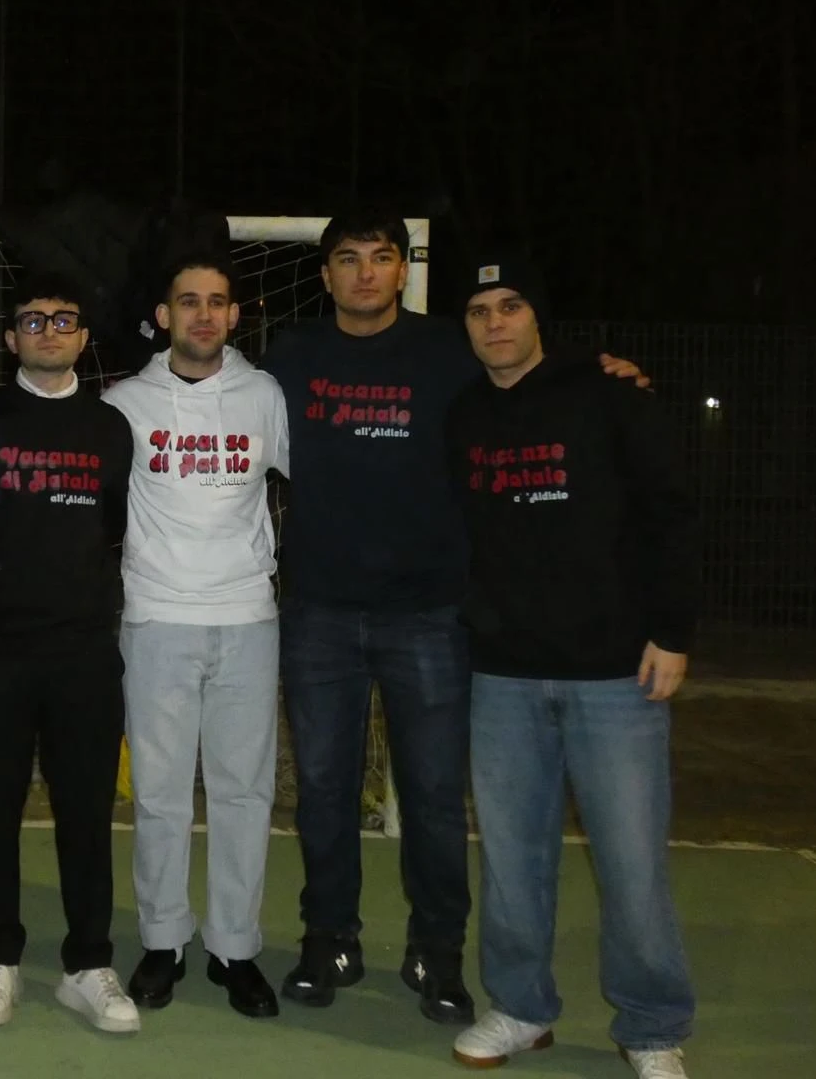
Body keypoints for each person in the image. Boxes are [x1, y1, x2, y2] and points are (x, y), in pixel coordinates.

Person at [258, 209, 645, 1024]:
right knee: (323, 790)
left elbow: (525, 362)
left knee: (434, 795)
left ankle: (436, 952)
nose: (366, 273)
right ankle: (329, 937)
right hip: (320, 609)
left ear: (405, 270)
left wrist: (601, 365)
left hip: (429, 613)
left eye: (381, 257)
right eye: (348, 259)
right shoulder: (291, 354)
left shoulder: (448, 347)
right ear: (324, 275)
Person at [446, 256, 697, 1079]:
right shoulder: (464, 414)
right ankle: (522, 1007)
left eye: (511, 305)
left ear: (538, 316)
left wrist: (672, 631)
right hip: (504, 676)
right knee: (512, 861)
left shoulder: (610, 394)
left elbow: (669, 511)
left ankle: (652, 1026)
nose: (496, 322)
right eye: (480, 310)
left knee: (632, 865)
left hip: (615, 675)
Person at [100, 251, 289, 1020]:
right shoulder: (124, 403)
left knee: (245, 790)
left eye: (217, 302)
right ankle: (163, 940)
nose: (204, 315)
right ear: (165, 315)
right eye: (188, 301)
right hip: (156, 619)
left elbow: (320, 478)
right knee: (160, 793)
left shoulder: (265, 396)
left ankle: (235, 946)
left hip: (248, 618)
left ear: (235, 315)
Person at [0, 275, 139, 1035]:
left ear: (84, 337)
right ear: (11, 338)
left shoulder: (111, 427)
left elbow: (111, 527)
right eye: (33, 321)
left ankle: (88, 963)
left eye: (65, 320)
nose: (50, 331)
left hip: (83, 649)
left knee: (86, 809)